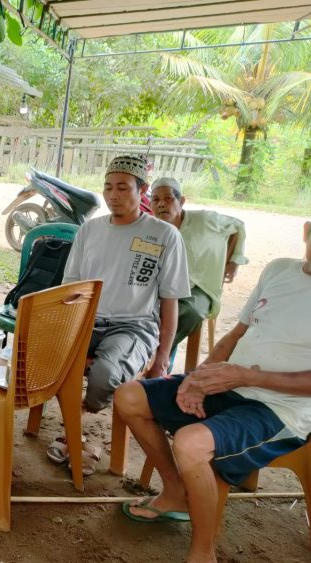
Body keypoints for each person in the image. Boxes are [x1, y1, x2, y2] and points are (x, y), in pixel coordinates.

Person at [114, 221, 311, 563]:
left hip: (280, 410)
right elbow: (235, 335)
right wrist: (199, 379)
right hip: (230, 384)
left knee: (190, 442)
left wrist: (243, 377)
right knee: (129, 396)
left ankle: (203, 551)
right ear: (307, 230)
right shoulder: (279, 269)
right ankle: (175, 491)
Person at [47, 155, 191, 473]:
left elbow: (170, 300)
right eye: (108, 187)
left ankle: (79, 428)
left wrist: (163, 356)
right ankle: (75, 432)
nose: (113, 195)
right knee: (43, 358)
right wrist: (63, 330)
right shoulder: (90, 230)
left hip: (133, 326)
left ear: (142, 191)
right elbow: (71, 286)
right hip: (86, 319)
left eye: (123, 188)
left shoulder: (165, 235)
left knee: (104, 374)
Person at [150, 177, 248, 358]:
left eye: (168, 198)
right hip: (163, 289)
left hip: (199, 289)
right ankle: (145, 358)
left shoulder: (205, 220)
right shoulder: (151, 229)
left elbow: (238, 225)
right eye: (155, 200)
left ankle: (156, 360)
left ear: (181, 201)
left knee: (188, 312)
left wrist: (234, 260)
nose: (161, 204)